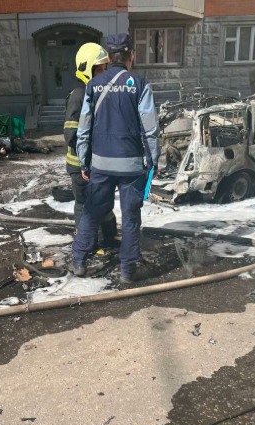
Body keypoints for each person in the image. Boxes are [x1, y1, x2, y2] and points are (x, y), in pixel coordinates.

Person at [70, 34, 160, 284]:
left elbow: (84, 128)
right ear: (132, 56)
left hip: (101, 163)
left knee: (92, 212)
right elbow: (150, 129)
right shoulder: (140, 84)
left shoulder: (93, 85)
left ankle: (78, 261)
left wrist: (84, 160)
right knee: (130, 217)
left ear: (108, 58)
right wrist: (153, 161)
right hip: (131, 165)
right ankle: (127, 271)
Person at [64, 43, 117, 246]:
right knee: (85, 205)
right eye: (99, 69)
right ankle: (86, 244)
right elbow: (71, 135)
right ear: (87, 69)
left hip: (97, 164)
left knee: (104, 203)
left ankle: (110, 239)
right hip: (81, 167)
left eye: (105, 68)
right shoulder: (79, 95)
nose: (104, 73)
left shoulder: (95, 92)